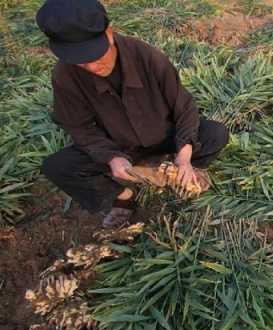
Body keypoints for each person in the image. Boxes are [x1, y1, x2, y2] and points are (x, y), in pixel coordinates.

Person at [35, 0, 229, 228]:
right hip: (120, 148)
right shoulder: (65, 75)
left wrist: (184, 155)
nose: (92, 68)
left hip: (164, 137)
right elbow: (79, 127)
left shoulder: (146, 56)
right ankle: (123, 197)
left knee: (215, 134)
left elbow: (184, 107)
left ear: (108, 33)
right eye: (81, 62)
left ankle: (176, 167)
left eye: (96, 57)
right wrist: (111, 156)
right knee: (58, 167)